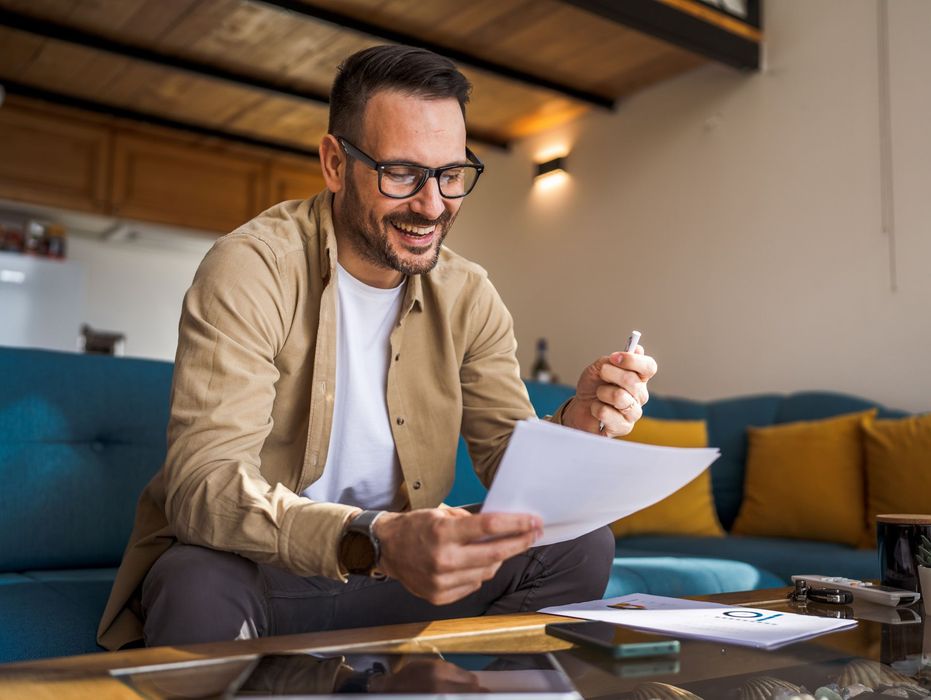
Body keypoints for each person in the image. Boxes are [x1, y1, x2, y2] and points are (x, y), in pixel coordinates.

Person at [97, 45, 657, 651]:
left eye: (450, 174)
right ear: (335, 164)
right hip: (269, 571)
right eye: (401, 173)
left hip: (401, 575)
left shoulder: (469, 294)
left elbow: (512, 471)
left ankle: (435, 685)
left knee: (579, 544)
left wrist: (575, 425)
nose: (432, 204)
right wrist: (380, 539)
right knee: (195, 582)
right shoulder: (252, 267)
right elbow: (204, 486)